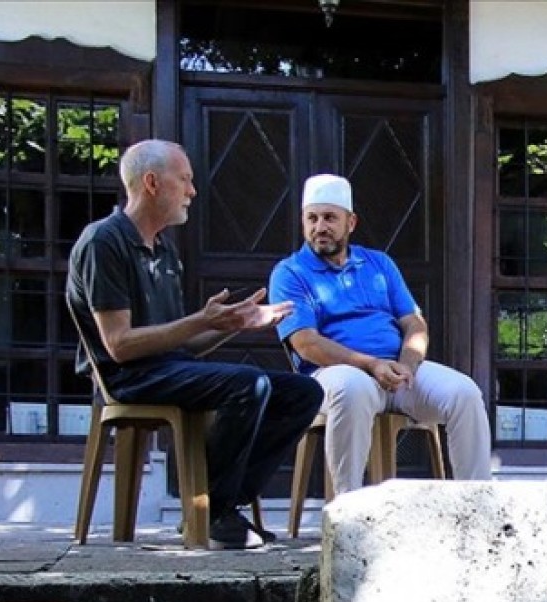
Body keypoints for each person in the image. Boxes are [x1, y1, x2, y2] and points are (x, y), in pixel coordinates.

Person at [67, 139, 324, 551]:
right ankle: (212, 512)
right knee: (250, 384)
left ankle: (219, 502)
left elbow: (184, 344)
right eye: (184, 179)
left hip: (167, 368)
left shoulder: (164, 248)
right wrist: (200, 320)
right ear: (151, 182)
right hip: (128, 378)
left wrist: (233, 324)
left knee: (303, 392)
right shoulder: (103, 242)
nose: (192, 191)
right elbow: (119, 346)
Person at [269, 174, 491, 492]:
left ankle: (477, 503)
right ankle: (348, 511)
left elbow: (414, 323)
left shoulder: (379, 264)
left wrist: (408, 365)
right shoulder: (290, 273)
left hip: (396, 371)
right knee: (352, 387)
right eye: (312, 218)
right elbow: (306, 344)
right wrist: (371, 365)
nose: (320, 227)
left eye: (330, 218)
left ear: (351, 222)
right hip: (334, 373)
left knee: (464, 393)